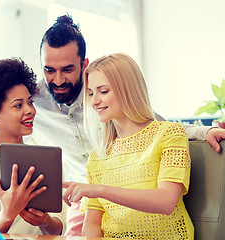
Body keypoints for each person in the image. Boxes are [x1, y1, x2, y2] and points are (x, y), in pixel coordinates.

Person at [0, 14, 225, 236]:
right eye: (49, 69)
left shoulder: (103, 91)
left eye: (67, 70)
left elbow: (152, 123)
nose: (57, 80)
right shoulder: (35, 98)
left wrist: (206, 130)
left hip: (100, 194)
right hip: (79, 199)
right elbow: (3, 120)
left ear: (83, 65)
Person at [63, 53, 194, 239]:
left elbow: (166, 201)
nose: (94, 101)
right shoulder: (97, 157)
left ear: (128, 89)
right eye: (91, 93)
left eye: (103, 91)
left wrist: (99, 190)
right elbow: (92, 224)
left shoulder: (169, 134)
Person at [0, 58, 65, 235]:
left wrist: (45, 221)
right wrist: (7, 214)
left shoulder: (47, 158)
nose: (30, 110)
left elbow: (60, 227)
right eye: (18, 105)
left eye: (30, 102)